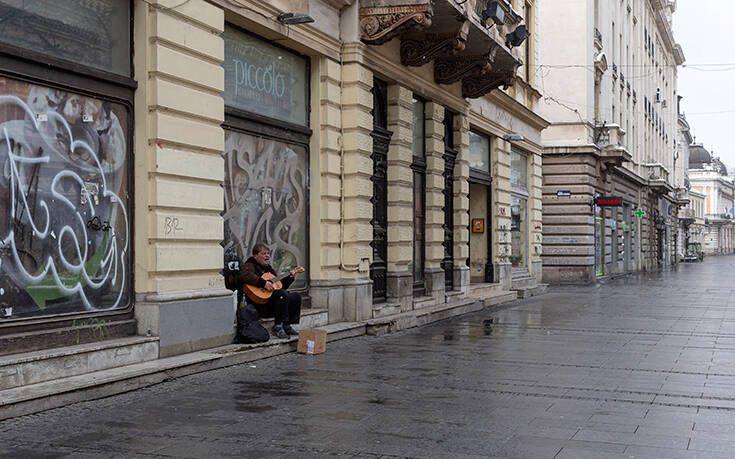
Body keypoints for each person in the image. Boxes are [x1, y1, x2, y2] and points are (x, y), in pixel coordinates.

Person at [238, 243, 301, 339]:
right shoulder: (250, 265)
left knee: (295, 296)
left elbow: (280, 287)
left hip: (271, 302)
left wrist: (290, 278)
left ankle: (287, 325)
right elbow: (244, 276)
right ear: (255, 256)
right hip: (258, 304)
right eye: (263, 253)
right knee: (281, 295)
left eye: (268, 253)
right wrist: (263, 283)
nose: (267, 255)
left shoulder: (269, 270)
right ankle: (277, 327)